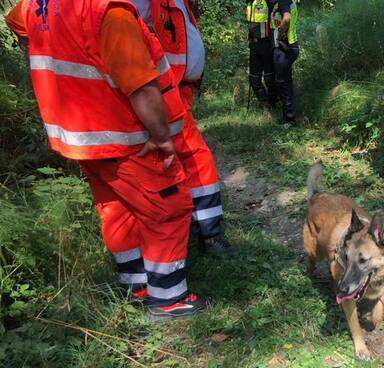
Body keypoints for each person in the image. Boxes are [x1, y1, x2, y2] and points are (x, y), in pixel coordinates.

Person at [5, 0, 207, 321]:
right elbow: (141, 86)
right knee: (167, 208)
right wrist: (162, 137)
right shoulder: (110, 12)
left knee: (116, 209)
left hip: (80, 138)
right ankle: (168, 298)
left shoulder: (38, 3)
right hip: (125, 137)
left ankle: (135, 285)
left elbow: (17, 23)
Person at [129, 0, 239, 257]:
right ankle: (206, 234)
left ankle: (196, 230)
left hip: (177, 87)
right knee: (194, 158)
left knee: (189, 158)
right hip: (162, 89)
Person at [270, 0, 299, 126]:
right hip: (289, 46)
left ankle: (289, 119)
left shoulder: (283, 1)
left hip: (285, 47)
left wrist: (280, 33)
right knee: (285, 81)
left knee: (283, 83)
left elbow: (286, 18)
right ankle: (289, 117)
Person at [246, 0, 278, 107]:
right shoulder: (249, 2)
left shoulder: (268, 2)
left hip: (266, 44)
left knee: (270, 79)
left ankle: (272, 103)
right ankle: (264, 103)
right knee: (254, 80)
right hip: (253, 45)